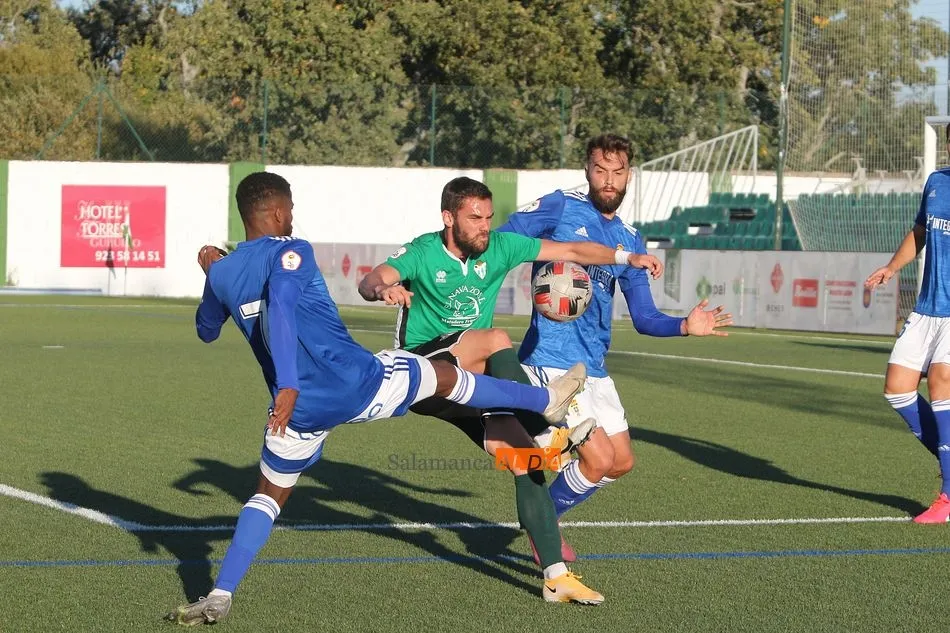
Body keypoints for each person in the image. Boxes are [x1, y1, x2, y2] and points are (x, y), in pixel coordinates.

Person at [166, 172, 598, 626]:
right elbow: (282, 303)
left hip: (296, 412)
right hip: (356, 383)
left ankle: (220, 593)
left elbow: (206, 329)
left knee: (268, 497)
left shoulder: (223, 273)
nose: (292, 216)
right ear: (276, 212)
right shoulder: (293, 250)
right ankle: (542, 402)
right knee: (442, 377)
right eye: (289, 208)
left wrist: (214, 276)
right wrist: (290, 379)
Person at [358, 176, 664, 563]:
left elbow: (570, 249)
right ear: (448, 218)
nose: (485, 226)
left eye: (488, 216)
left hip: (466, 386)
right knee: (495, 338)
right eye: (474, 218)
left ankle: (551, 561)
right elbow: (372, 279)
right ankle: (543, 414)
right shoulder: (424, 250)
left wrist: (626, 258)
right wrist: (384, 289)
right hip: (422, 369)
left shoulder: (500, 247)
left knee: (525, 460)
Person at [497, 134, 733, 542]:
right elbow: (501, 240)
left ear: (629, 176)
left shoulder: (631, 238)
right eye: (600, 170)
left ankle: (540, 517)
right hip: (550, 359)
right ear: (587, 170)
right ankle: (543, 531)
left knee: (620, 462)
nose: (608, 180)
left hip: (595, 368)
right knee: (598, 458)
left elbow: (644, 317)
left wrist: (683, 326)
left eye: (617, 172)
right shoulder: (560, 206)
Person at [866, 126, 950, 524]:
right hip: (926, 308)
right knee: (897, 388)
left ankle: (948, 498)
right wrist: (891, 267)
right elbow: (919, 232)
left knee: (940, 382)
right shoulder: (936, 182)